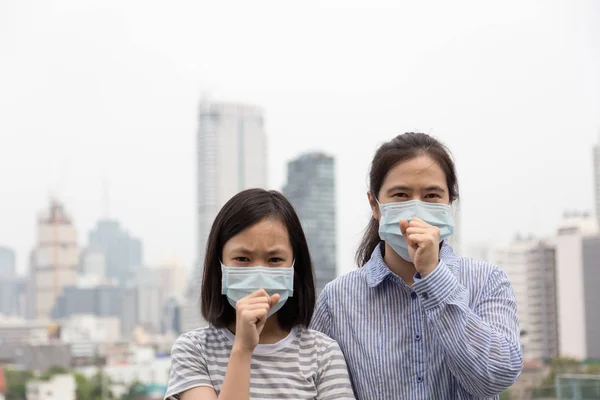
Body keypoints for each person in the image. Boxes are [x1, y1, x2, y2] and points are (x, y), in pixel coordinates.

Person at [310, 133, 523, 399]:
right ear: (374, 205)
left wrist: (434, 276)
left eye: (431, 195)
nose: (416, 209)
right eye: (400, 195)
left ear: (449, 204)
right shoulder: (337, 299)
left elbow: (497, 376)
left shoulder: (487, 280)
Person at [164, 188, 355, 400]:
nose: (259, 273)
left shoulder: (323, 354)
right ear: (219, 264)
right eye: (242, 259)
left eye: (274, 260)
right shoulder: (194, 350)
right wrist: (243, 349)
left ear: (294, 266)